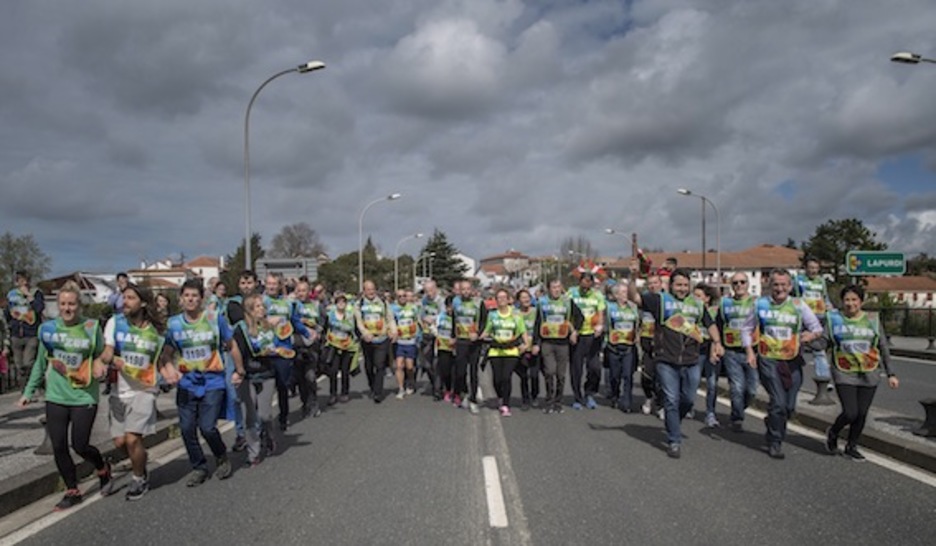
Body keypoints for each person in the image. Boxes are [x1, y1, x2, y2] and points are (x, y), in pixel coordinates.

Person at [17, 281, 110, 511]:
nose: (67, 308)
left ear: (79, 305)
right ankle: (72, 490)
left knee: (80, 445)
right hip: (56, 395)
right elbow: (40, 362)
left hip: (84, 396)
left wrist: (99, 364)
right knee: (59, 446)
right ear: (57, 305)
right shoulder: (47, 330)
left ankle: (102, 468)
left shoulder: (91, 327)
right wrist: (28, 392)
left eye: (71, 303)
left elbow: (100, 354)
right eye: (63, 304)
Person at [628, 264, 720, 459]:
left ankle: (673, 421)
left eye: (686, 285)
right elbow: (634, 298)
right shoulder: (660, 300)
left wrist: (718, 343)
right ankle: (674, 440)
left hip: (691, 360)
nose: (682, 289)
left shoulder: (696, 304)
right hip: (666, 360)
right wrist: (633, 277)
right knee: (671, 400)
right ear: (670, 285)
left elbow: (709, 324)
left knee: (688, 399)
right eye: (679, 285)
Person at [159, 279, 244, 487]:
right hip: (187, 383)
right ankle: (199, 467)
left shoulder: (215, 319)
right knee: (187, 429)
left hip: (213, 380)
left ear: (202, 299)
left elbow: (231, 345)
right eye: (186, 295)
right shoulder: (174, 324)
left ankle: (221, 455)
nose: (190, 299)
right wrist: (169, 371)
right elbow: (166, 353)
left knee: (207, 427)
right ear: (180, 299)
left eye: (195, 295)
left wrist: (239, 371)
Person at [742, 269, 824, 460]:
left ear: (790, 286)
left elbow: (817, 328)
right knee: (778, 401)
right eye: (776, 285)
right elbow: (746, 329)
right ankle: (775, 442)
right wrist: (749, 352)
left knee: (788, 406)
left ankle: (773, 420)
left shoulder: (798, 305)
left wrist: (810, 335)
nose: (779, 288)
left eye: (783, 285)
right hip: (768, 358)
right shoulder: (759, 304)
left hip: (792, 360)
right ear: (770, 285)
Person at [96, 284, 165, 500]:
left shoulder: (156, 331)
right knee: (120, 443)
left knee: (133, 439)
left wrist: (169, 372)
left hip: (144, 390)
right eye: (123, 298)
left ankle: (138, 479)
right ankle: (140, 463)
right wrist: (103, 362)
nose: (124, 302)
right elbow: (107, 352)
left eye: (130, 298)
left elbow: (162, 358)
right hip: (120, 390)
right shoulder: (114, 323)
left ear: (143, 302)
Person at [825, 285, 899, 461]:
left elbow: (882, 347)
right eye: (847, 300)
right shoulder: (834, 319)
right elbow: (824, 341)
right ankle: (833, 432)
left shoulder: (872, 320)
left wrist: (891, 373)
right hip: (844, 371)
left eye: (854, 300)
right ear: (842, 302)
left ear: (861, 301)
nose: (850, 304)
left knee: (862, 413)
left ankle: (852, 446)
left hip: (869, 371)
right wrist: (810, 339)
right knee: (851, 412)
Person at [232, 294, 280, 466]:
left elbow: (282, 343)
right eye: (257, 307)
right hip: (248, 375)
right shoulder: (241, 329)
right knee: (250, 416)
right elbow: (235, 350)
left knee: (264, 415)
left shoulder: (270, 327)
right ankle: (253, 453)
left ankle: (269, 436)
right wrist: (237, 371)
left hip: (266, 373)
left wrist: (278, 350)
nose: (261, 309)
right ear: (249, 310)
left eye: (262, 306)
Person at [262, 273, 311, 430]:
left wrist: (308, 333)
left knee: (283, 386)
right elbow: (250, 321)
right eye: (269, 283)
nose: (271, 286)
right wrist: (265, 321)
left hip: (284, 350)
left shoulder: (288, 304)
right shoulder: (260, 302)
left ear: (279, 285)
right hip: (265, 350)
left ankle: (283, 417)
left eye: (274, 284)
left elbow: (295, 321)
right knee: (265, 390)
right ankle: (264, 420)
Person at [534, 279, 582, 414]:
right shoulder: (542, 302)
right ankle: (549, 400)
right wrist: (535, 343)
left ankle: (558, 402)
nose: (556, 290)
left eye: (558, 287)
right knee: (549, 371)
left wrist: (575, 332)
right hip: (547, 341)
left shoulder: (567, 302)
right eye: (553, 287)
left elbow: (580, 317)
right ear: (549, 289)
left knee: (561, 375)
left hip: (563, 342)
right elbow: (537, 323)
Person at [718, 273, 758, 432]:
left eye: (742, 282)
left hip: (752, 352)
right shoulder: (725, 303)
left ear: (748, 284)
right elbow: (719, 325)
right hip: (731, 350)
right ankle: (737, 418)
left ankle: (740, 408)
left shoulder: (757, 302)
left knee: (752, 390)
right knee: (737, 387)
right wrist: (717, 345)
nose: (739, 285)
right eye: (735, 283)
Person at [481, 288, 530, 417]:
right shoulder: (492, 315)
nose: (502, 300)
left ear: (509, 300)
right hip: (495, 351)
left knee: (506, 377)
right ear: (496, 301)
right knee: (497, 379)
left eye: (504, 297)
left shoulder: (516, 315)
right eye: (499, 298)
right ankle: (500, 396)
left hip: (511, 351)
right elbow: (487, 330)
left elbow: (523, 331)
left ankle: (505, 404)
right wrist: (479, 337)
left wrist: (526, 344)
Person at [567, 272, 606, 410]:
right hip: (577, 335)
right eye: (583, 281)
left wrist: (600, 326)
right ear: (580, 281)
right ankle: (577, 398)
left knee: (594, 367)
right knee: (576, 368)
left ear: (592, 283)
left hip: (592, 335)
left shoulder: (597, 296)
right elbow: (567, 314)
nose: (586, 284)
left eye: (589, 282)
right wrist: (572, 331)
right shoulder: (571, 293)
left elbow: (600, 313)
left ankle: (589, 393)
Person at [355, 280, 397, 403]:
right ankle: (372, 386)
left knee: (379, 365)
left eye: (372, 289)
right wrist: (364, 333)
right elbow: (358, 321)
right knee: (369, 366)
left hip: (382, 338)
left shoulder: (383, 302)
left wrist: (393, 331)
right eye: (368, 289)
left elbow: (390, 318)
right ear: (364, 291)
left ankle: (378, 392)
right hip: (368, 339)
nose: (371, 292)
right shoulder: (359, 304)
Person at [794, 258, 833, 389]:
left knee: (819, 348)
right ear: (806, 268)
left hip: (819, 316)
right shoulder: (798, 280)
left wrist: (830, 308)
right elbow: (794, 296)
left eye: (816, 268)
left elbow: (825, 297)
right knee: (797, 345)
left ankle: (823, 379)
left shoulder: (821, 281)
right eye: (811, 267)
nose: (813, 270)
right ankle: (793, 376)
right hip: (803, 316)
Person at [5, 270, 45, 388]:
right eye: (20, 281)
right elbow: (8, 313)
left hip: (31, 333)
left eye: (25, 280)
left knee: (28, 362)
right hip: (16, 334)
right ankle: (24, 390)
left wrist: (29, 296)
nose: (23, 283)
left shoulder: (36, 293)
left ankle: (35, 386)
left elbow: (39, 308)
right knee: (19, 366)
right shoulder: (12, 295)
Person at [453, 280, 487, 414]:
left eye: (468, 289)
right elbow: (453, 320)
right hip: (461, 340)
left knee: (473, 371)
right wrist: (452, 336)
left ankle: (473, 399)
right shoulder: (456, 302)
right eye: (463, 289)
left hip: (474, 342)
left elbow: (484, 321)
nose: (466, 292)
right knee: (460, 372)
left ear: (472, 290)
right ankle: (464, 393)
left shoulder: (479, 303)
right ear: (459, 291)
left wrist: (478, 334)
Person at [605, 283, 640, 412]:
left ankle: (627, 403)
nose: (627, 295)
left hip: (629, 347)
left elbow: (639, 324)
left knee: (628, 375)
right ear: (616, 295)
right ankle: (614, 395)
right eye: (624, 292)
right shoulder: (610, 308)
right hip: (613, 346)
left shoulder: (634, 308)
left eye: (627, 292)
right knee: (614, 376)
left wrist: (638, 335)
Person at [292, 280, 325, 414]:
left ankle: (314, 402)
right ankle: (305, 401)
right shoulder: (292, 305)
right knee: (300, 377)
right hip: (297, 344)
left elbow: (323, 322)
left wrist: (317, 331)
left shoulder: (316, 305)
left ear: (309, 292)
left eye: (304, 290)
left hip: (312, 346)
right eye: (299, 290)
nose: (301, 293)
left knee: (310, 376)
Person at [694, 283, 723, 428]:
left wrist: (715, 349)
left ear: (707, 298)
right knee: (693, 381)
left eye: (698, 296)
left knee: (712, 384)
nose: (695, 299)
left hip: (711, 350)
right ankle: (689, 406)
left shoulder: (715, 312)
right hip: (696, 351)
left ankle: (710, 413)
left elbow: (716, 332)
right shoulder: (692, 311)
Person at [322, 294, 357, 403]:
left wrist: (339, 325)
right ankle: (333, 394)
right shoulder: (331, 314)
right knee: (333, 371)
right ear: (335, 304)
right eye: (339, 302)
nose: (341, 304)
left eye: (343, 302)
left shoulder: (349, 315)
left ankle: (345, 392)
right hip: (333, 344)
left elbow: (350, 327)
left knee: (345, 371)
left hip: (347, 345)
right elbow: (329, 323)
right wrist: (341, 325)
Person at [637, 273, 663, 417]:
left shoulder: (667, 300)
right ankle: (648, 397)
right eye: (650, 283)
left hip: (663, 345)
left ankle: (660, 405)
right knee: (646, 376)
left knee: (661, 378)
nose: (653, 286)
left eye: (655, 283)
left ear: (661, 284)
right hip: (646, 342)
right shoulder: (645, 300)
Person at [514, 289, 540, 410]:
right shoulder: (515, 314)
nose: (526, 300)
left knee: (534, 375)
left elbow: (540, 329)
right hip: (521, 348)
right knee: (524, 375)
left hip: (534, 348)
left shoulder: (536, 312)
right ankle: (525, 399)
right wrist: (519, 344)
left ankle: (534, 395)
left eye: (528, 297)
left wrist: (537, 344)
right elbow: (513, 331)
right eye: (523, 297)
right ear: (518, 300)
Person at [419, 280, 446, 399]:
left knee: (436, 363)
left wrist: (434, 319)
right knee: (426, 363)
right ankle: (435, 382)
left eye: (430, 290)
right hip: (426, 334)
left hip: (439, 334)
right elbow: (420, 314)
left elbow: (444, 315)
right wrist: (424, 318)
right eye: (426, 291)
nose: (428, 293)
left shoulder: (441, 301)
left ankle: (438, 390)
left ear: (436, 289)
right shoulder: (424, 300)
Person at [435, 296, 457, 403]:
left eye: (453, 307)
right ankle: (447, 390)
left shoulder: (458, 319)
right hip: (443, 347)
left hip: (456, 349)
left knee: (456, 372)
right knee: (445, 371)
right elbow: (434, 328)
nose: (450, 310)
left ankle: (456, 392)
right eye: (448, 307)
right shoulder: (440, 317)